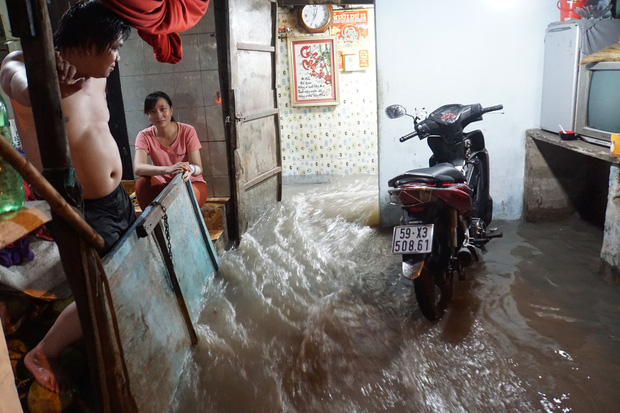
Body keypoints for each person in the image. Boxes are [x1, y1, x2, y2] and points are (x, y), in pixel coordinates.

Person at [0, 0, 132, 394]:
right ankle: (41, 352)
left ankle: (122, 342)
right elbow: (18, 81)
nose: (117, 58)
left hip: (117, 200)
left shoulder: (98, 72)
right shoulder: (21, 70)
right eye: (114, 47)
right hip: (79, 209)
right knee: (102, 291)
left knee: (129, 274)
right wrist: (47, 79)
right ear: (88, 43)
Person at [133, 91, 208, 210]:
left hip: (190, 183)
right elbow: (138, 168)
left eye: (163, 109)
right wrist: (168, 169)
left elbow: (199, 167)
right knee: (142, 183)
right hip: (163, 186)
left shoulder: (187, 131)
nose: (159, 115)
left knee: (183, 200)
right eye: (152, 111)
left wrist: (190, 169)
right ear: (147, 115)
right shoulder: (144, 136)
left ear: (171, 110)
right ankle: (154, 226)